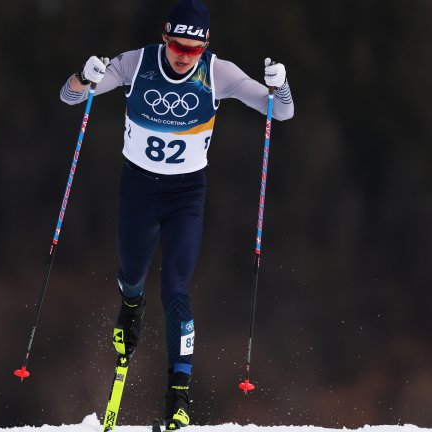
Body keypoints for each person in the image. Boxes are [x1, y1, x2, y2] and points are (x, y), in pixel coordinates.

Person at [59, 0, 294, 429]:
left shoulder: (218, 73)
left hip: (186, 194)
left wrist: (281, 86)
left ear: (206, 47)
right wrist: (83, 75)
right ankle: (131, 306)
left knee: (176, 289)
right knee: (132, 276)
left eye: (194, 49)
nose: (185, 56)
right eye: (178, 46)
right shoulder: (137, 63)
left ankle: (178, 398)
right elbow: (71, 96)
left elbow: (280, 112)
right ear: (165, 39)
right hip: (138, 190)